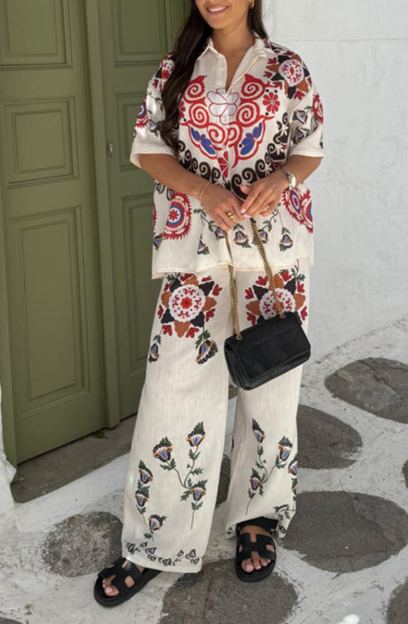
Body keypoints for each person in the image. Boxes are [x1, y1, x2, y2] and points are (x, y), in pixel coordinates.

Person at [93, 0, 325, 607]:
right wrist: (201, 189)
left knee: (271, 390)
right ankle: (157, 539)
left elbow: (311, 144)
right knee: (173, 390)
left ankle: (258, 516)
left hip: (272, 257)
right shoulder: (176, 67)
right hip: (194, 255)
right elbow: (147, 146)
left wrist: (282, 179)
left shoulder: (286, 68)